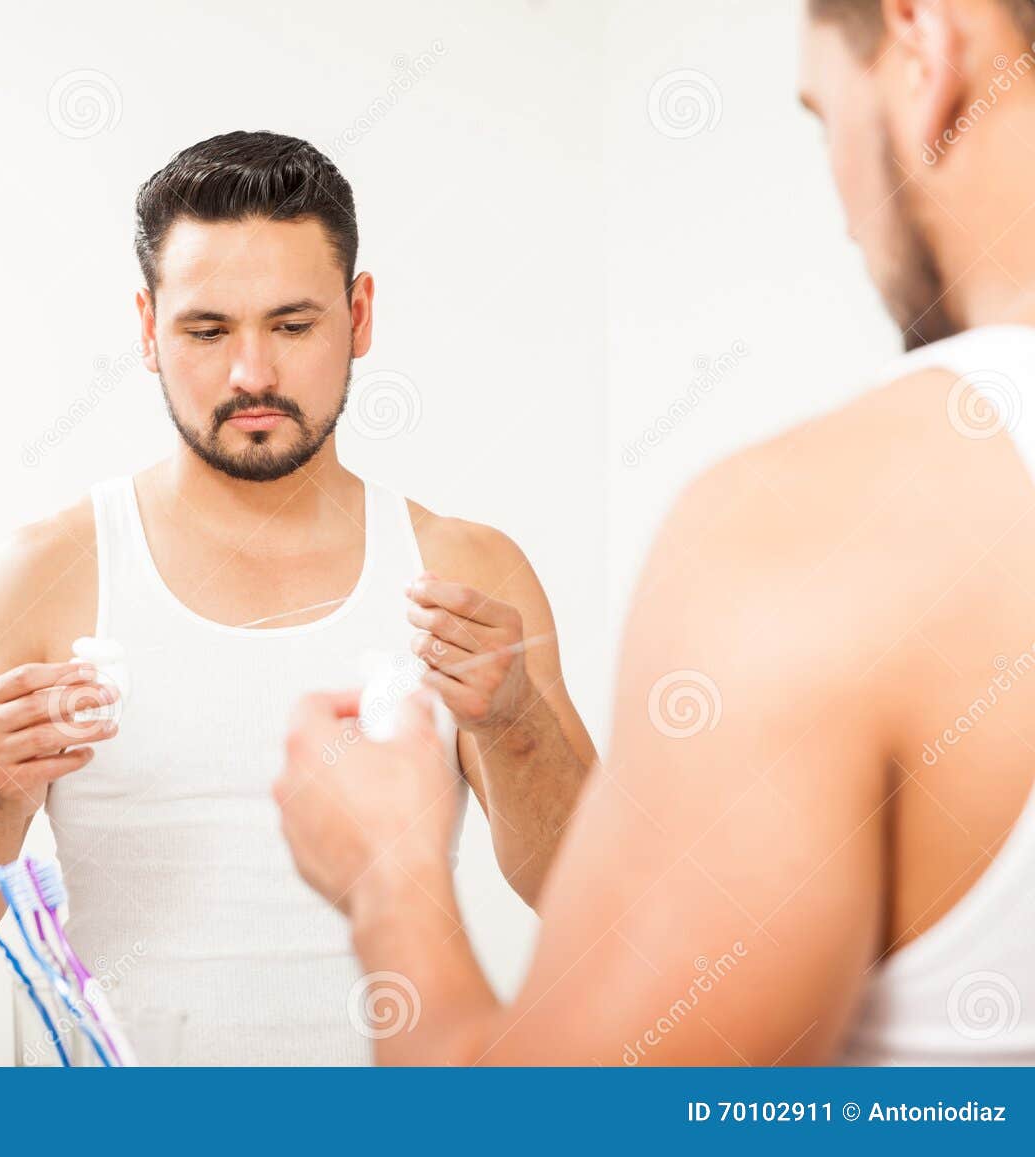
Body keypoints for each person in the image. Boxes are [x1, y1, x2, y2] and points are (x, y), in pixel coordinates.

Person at [275, 0, 1035, 1066]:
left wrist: (385, 877)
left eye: (825, 119)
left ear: (923, 45)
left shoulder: (811, 529)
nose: (849, 218)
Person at [0, 130, 596, 1064]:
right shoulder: (44, 573)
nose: (252, 373)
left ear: (360, 313)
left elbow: (589, 897)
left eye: (292, 326)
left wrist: (514, 723)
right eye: (207, 331)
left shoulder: (464, 570)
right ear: (146, 329)